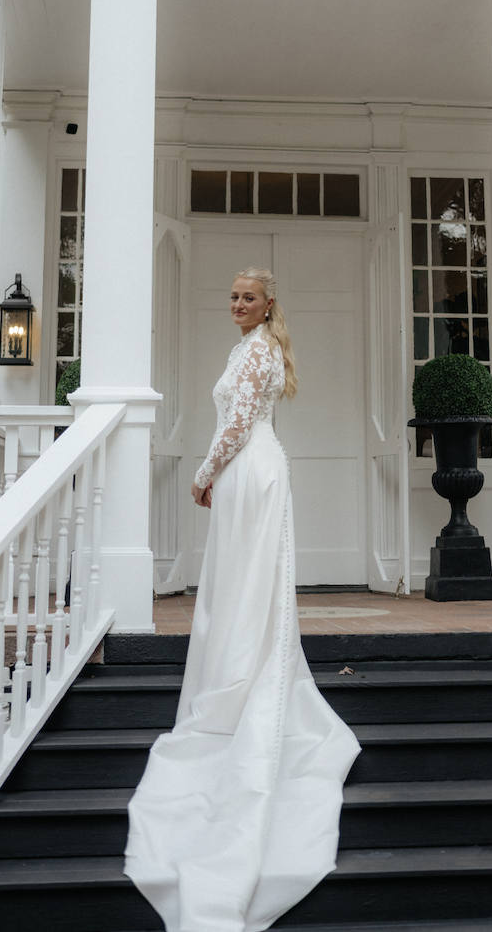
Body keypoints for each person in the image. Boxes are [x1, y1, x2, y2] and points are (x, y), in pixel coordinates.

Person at [124, 268, 360, 932]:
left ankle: (243, 680)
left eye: (247, 298)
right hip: (239, 470)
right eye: (231, 297)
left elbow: (239, 426)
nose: (236, 305)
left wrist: (202, 472)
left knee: (249, 581)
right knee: (233, 583)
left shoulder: (260, 350)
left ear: (267, 305)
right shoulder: (243, 347)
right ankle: (232, 666)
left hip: (248, 469)